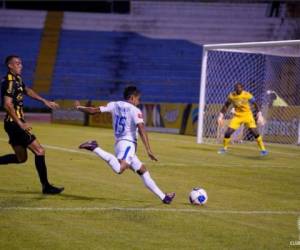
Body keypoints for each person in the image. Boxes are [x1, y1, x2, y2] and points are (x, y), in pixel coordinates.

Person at [75, 86, 175, 204]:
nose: (139, 102)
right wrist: (148, 149)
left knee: (142, 170)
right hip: (128, 144)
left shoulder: (114, 104)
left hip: (119, 144)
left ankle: (164, 197)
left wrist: (79, 107)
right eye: (138, 99)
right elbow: (142, 129)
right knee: (119, 169)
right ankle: (94, 147)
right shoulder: (135, 110)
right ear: (132, 98)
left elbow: (93, 111)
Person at [0, 55, 64, 194]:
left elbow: (27, 90)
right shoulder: (9, 82)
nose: (20, 65)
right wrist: (20, 123)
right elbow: (7, 104)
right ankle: (46, 187)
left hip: (11, 124)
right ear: (10, 66)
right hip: (15, 123)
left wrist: (44, 100)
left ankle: (46, 186)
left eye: (21, 63)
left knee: (20, 158)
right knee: (39, 151)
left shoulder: (18, 79)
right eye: (17, 63)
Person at [217, 83, 268, 156]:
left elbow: (255, 104)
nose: (237, 89)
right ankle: (224, 149)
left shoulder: (247, 95)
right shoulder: (232, 95)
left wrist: (259, 114)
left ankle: (263, 150)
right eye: (236, 88)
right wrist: (220, 116)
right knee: (228, 133)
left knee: (255, 133)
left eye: (239, 88)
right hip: (237, 116)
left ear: (242, 88)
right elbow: (226, 105)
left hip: (247, 115)